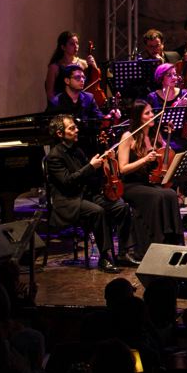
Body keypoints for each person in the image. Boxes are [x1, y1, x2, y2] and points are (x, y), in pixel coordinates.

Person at [44, 113, 130, 272]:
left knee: (121, 207)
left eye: (75, 127)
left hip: (84, 195)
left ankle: (123, 252)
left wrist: (106, 162)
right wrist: (91, 166)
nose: (77, 130)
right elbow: (67, 182)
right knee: (97, 211)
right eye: (72, 128)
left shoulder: (77, 150)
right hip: (68, 201)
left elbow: (89, 176)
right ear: (59, 133)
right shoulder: (54, 157)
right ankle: (104, 258)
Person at [116, 100, 183, 260]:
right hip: (131, 185)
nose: (152, 115)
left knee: (170, 194)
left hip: (149, 183)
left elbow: (167, 155)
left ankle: (172, 242)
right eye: (147, 113)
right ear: (138, 117)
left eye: (152, 112)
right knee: (158, 196)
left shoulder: (155, 135)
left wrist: (168, 135)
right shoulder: (128, 137)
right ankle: (154, 246)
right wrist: (145, 160)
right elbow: (122, 168)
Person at [146, 63, 187, 151]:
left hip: (180, 136)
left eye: (175, 74)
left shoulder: (184, 93)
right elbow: (148, 122)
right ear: (161, 78)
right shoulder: (152, 97)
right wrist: (162, 142)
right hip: (159, 137)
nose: (174, 78)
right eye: (169, 75)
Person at [44, 30, 98, 102]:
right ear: (63, 47)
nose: (76, 46)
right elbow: (50, 93)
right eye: (72, 44)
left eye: (77, 43)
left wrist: (94, 66)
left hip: (80, 105)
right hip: (61, 106)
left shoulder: (84, 64)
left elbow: (95, 82)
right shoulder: (54, 67)